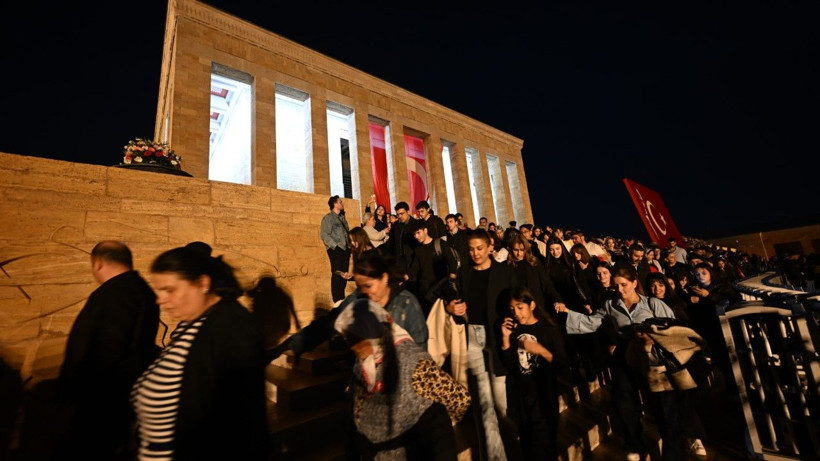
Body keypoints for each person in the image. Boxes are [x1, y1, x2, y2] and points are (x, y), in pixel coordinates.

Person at [131, 247, 268, 460]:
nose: (160, 300)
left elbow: (239, 423)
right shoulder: (194, 322)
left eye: (169, 290)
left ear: (203, 283)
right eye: (159, 291)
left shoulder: (231, 328)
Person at [554, 265, 677, 460]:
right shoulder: (610, 305)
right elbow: (591, 322)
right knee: (624, 399)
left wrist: (653, 336)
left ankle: (672, 450)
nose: (620, 290)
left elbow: (673, 328)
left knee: (662, 404)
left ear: (634, 283)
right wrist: (567, 312)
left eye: (624, 285)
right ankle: (634, 444)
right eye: (616, 286)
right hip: (625, 353)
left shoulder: (653, 304)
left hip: (651, 355)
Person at [55, 241, 160, 460]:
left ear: (98, 263)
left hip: (100, 404)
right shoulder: (140, 290)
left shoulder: (116, 292)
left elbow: (106, 348)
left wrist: (79, 394)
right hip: (116, 400)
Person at [335, 299, 471, 460]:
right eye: (348, 339)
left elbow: (459, 400)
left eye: (355, 339)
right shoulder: (362, 364)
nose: (352, 346)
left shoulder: (413, 364)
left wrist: (424, 433)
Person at [446, 229, 518, 460]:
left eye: (479, 248)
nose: (475, 253)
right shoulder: (464, 272)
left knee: (501, 403)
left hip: (497, 338)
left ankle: (515, 448)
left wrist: (512, 326)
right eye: (471, 249)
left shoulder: (505, 272)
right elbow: (455, 301)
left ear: (490, 247)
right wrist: (451, 308)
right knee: (484, 405)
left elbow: (517, 302)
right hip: (473, 338)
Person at [501, 287, 569, 461]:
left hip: (543, 396)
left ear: (531, 305)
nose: (516, 313)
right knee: (528, 445)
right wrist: (506, 339)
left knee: (545, 445)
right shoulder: (514, 330)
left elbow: (562, 364)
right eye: (512, 309)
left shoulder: (548, 329)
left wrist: (541, 351)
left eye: (520, 307)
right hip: (521, 398)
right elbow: (510, 364)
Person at [321, 195, 351, 303]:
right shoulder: (328, 218)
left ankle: (341, 297)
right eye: (340, 202)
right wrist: (335, 246)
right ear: (335, 204)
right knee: (337, 273)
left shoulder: (342, 218)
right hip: (336, 248)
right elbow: (324, 234)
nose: (342, 204)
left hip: (346, 248)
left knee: (345, 273)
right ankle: (336, 300)